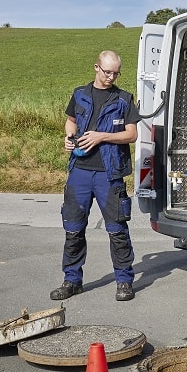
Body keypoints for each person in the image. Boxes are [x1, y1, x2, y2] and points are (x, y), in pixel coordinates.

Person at [50, 50, 139, 302]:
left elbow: (131, 135)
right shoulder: (80, 94)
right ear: (96, 68)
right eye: (107, 71)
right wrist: (68, 138)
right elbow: (70, 121)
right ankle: (72, 280)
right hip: (79, 171)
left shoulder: (123, 99)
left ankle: (124, 281)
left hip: (109, 175)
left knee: (117, 230)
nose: (111, 76)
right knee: (73, 229)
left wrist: (102, 136)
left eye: (116, 73)